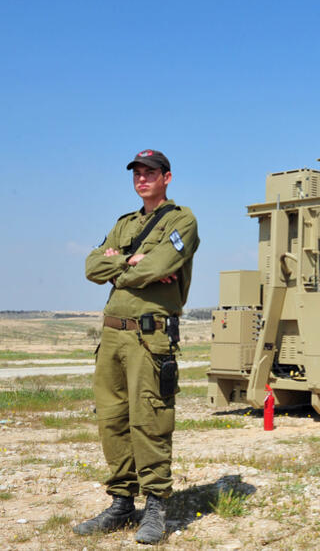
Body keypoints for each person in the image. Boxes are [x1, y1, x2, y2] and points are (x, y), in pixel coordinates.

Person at [75, 149, 199, 544]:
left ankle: (156, 507)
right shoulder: (124, 223)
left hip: (150, 337)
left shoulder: (182, 220)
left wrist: (125, 265)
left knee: (150, 419)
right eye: (138, 173)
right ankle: (121, 502)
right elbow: (92, 267)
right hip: (112, 335)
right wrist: (133, 261)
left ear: (167, 177)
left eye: (151, 173)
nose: (142, 179)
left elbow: (159, 267)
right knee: (112, 420)